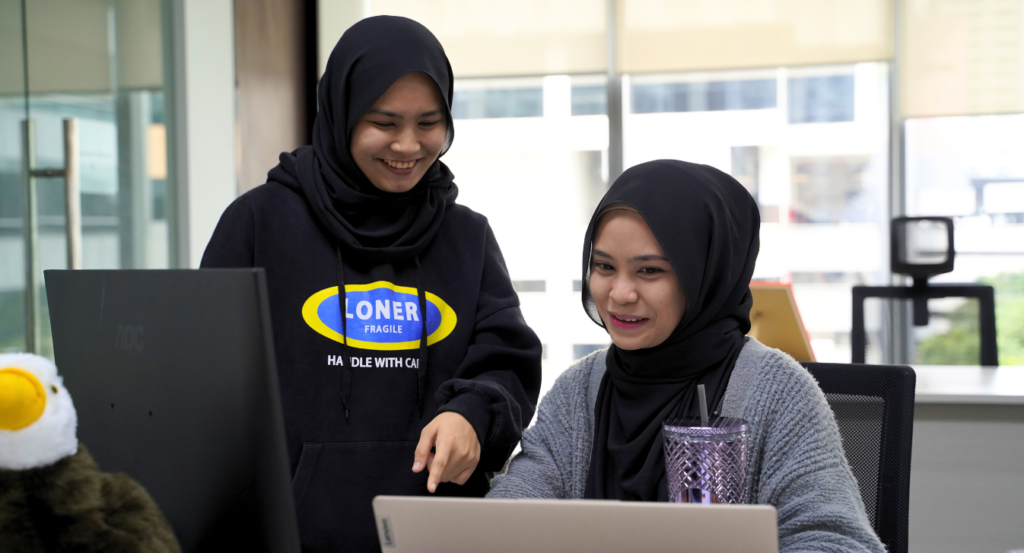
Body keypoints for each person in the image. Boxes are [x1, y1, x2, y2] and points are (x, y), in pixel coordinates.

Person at [201, 16, 542, 552]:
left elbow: (508, 359)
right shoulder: (258, 223)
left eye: (429, 123)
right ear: (341, 114)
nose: (408, 145)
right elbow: (204, 379)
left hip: (436, 536)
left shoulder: (466, 236)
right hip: (286, 537)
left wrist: (471, 414)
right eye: (384, 122)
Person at [487, 160, 884, 553]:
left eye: (649, 271)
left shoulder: (778, 393)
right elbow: (509, 516)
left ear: (704, 274)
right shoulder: (578, 391)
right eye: (604, 266)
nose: (619, 294)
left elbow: (837, 542)